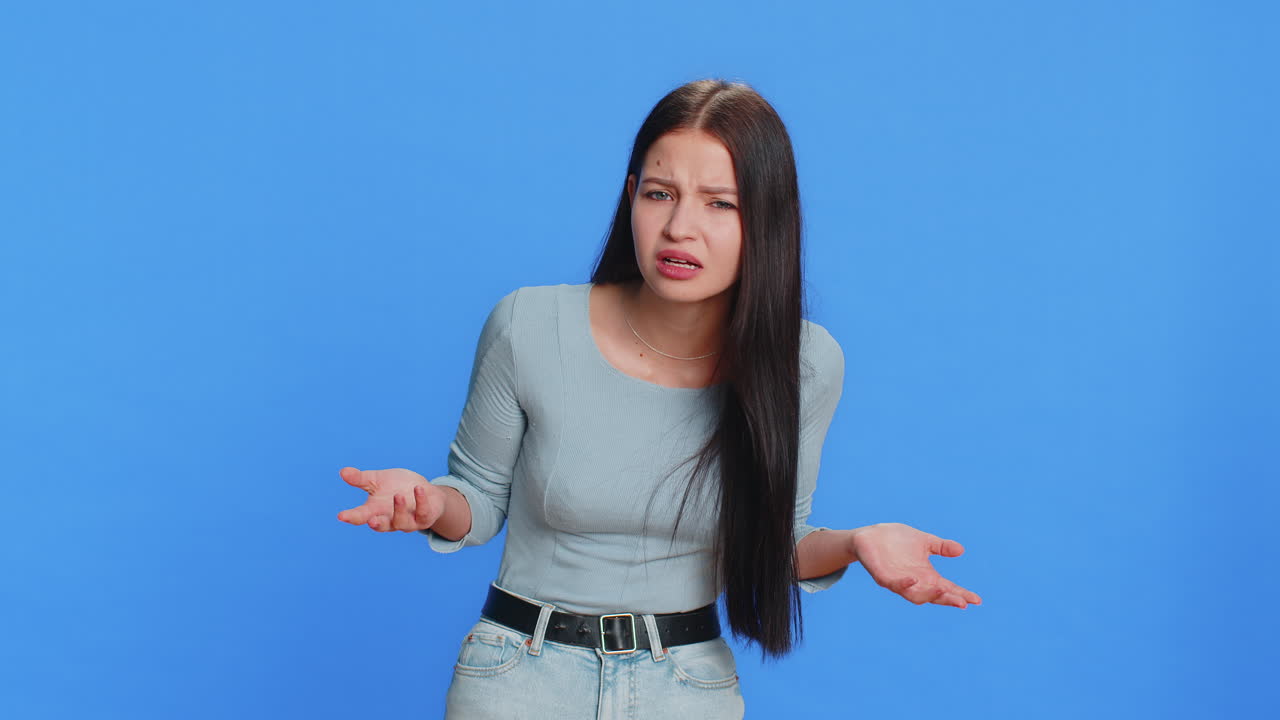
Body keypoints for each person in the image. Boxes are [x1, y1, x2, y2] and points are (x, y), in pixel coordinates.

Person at [336, 78, 982, 719]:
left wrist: (856, 542)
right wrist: (425, 502)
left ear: (767, 219)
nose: (680, 228)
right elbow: (476, 500)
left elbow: (776, 542)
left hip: (686, 686)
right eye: (659, 194)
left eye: (719, 204)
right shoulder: (528, 326)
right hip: (518, 678)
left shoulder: (804, 364)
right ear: (630, 198)